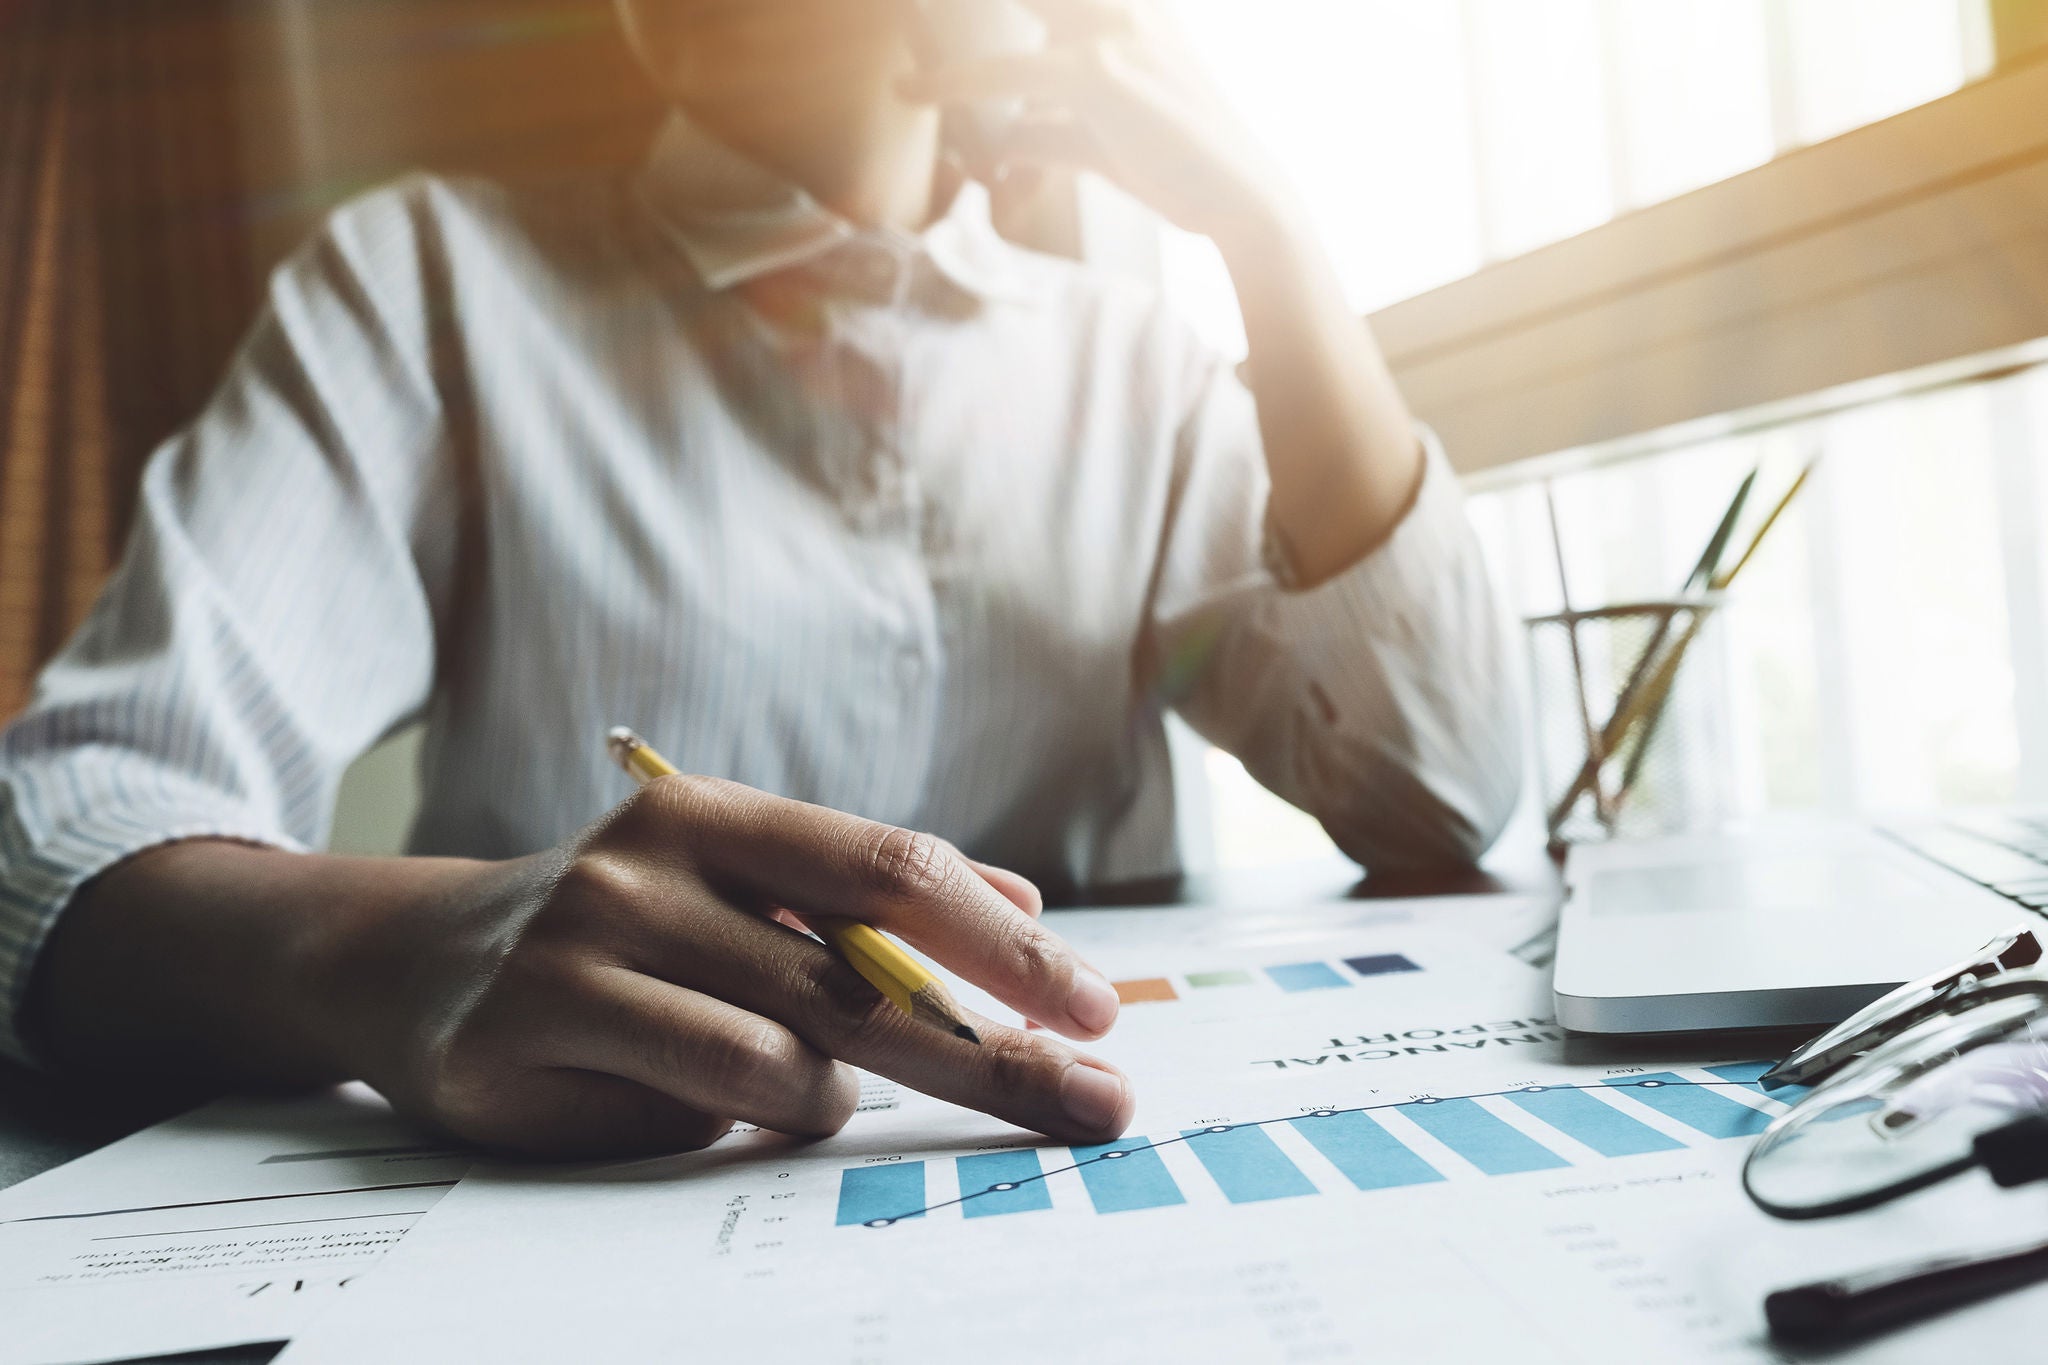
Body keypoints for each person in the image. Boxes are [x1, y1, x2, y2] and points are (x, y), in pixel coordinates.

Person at [0, 0, 1519, 1157]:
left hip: (1064, 1188)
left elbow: (1442, 787)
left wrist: (1265, 231)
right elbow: (54, 838)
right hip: (581, 1208)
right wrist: (391, 953)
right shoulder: (427, 286)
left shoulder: (1139, 367)